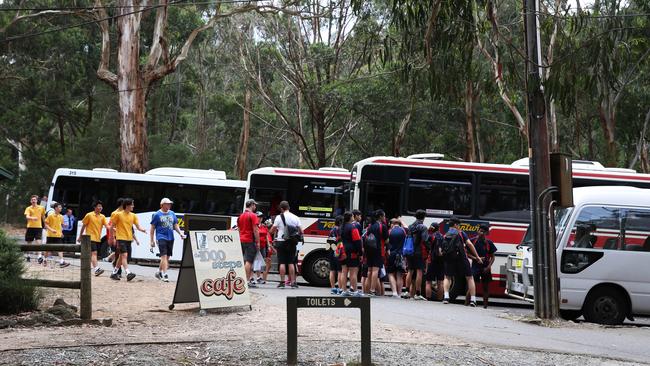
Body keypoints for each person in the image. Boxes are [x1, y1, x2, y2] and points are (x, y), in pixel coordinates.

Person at [442, 217, 482, 306]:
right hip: (461, 258)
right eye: (459, 225)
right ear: (456, 225)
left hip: (449, 258)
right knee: (469, 277)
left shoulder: (445, 235)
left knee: (447, 277)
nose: (459, 227)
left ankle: (446, 297)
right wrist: (477, 257)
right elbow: (470, 244)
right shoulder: (461, 233)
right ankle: (473, 300)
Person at [110, 198, 146, 281]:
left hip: (129, 239)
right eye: (132, 204)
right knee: (124, 255)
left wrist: (142, 230)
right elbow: (112, 226)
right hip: (120, 238)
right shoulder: (118, 215)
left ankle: (114, 273)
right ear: (127, 205)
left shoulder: (133, 215)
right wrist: (112, 237)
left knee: (121, 257)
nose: (133, 206)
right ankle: (128, 273)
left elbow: (138, 226)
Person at [150, 198, 185, 282]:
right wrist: (152, 240)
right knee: (164, 256)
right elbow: (152, 228)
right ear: (162, 205)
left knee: (167, 257)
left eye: (170, 204)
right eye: (167, 204)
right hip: (161, 237)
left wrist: (180, 233)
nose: (169, 205)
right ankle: (165, 274)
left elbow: (175, 224)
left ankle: (158, 271)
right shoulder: (157, 214)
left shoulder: (172, 213)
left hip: (170, 237)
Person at [269, 201, 303, 288]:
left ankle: (282, 282)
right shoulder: (295, 217)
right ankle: (293, 282)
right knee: (291, 262)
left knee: (282, 262)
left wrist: (271, 231)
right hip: (292, 242)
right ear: (289, 208)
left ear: (281, 209)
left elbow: (272, 230)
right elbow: (301, 231)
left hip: (281, 241)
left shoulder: (279, 217)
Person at [78, 200, 110, 276]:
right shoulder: (89, 215)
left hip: (97, 238)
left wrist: (113, 229)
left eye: (101, 206)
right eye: (99, 206)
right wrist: (80, 236)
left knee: (90, 254)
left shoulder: (102, 216)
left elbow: (107, 226)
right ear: (95, 207)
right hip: (89, 237)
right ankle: (96, 269)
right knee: (94, 253)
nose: (100, 207)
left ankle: (85, 269)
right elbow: (83, 226)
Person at [364, 210, 388, 296]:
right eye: (384, 216)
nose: (385, 218)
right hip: (378, 250)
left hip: (369, 250)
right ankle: (372, 290)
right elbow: (387, 240)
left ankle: (366, 291)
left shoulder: (370, 226)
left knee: (369, 271)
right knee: (375, 270)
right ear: (381, 216)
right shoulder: (383, 226)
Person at [472, 224, 497, 308]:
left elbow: (493, 257)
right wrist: (476, 258)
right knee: (472, 286)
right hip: (475, 266)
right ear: (477, 231)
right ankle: (466, 304)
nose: (481, 233)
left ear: (486, 233)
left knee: (486, 287)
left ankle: (485, 306)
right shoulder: (473, 241)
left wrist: (488, 267)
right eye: (480, 231)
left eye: (483, 231)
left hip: (486, 267)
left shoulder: (489, 243)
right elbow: (466, 253)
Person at [338, 211, 363, 296]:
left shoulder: (342, 227)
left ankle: (344, 290)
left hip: (343, 251)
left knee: (344, 271)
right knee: (353, 272)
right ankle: (355, 291)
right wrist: (360, 253)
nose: (353, 217)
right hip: (352, 252)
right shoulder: (353, 228)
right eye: (352, 216)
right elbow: (357, 241)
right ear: (350, 217)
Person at [237, 199, 260, 287]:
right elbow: (255, 230)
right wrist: (258, 242)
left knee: (243, 261)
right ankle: (246, 281)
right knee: (249, 261)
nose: (255, 207)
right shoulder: (253, 215)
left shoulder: (241, 216)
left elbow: (239, 229)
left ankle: (241, 280)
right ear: (252, 205)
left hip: (241, 240)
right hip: (250, 240)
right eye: (255, 205)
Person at [407, 210, 429, 300]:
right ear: (424, 217)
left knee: (410, 271)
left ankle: (407, 292)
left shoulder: (410, 226)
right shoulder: (423, 227)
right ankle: (418, 293)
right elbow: (425, 240)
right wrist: (429, 248)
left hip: (409, 251)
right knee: (419, 272)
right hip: (418, 251)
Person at [43, 202, 71, 268]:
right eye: (60, 207)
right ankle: (45, 259)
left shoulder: (61, 216)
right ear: (55, 208)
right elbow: (46, 225)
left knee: (60, 248)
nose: (61, 208)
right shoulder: (50, 216)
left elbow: (60, 225)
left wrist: (62, 231)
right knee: (47, 249)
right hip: (50, 235)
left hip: (58, 235)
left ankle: (61, 261)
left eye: (61, 207)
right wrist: (51, 230)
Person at [386, 218, 406, 298]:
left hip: (392, 254)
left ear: (392, 224)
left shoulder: (389, 231)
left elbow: (387, 243)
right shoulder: (403, 231)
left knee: (391, 273)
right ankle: (399, 293)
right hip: (401, 254)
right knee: (399, 275)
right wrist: (401, 221)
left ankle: (394, 292)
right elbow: (407, 227)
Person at [425, 222, 445, 301]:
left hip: (432, 260)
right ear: (439, 228)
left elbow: (426, 246)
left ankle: (428, 298)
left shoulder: (430, 237)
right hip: (441, 261)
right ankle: (440, 299)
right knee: (440, 282)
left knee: (428, 281)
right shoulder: (443, 237)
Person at [24, 195, 46, 263]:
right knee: (29, 243)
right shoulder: (28, 208)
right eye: (32, 200)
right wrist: (33, 218)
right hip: (30, 227)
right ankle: (28, 256)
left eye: (35, 199)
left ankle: (39, 256)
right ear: (31, 201)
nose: (33, 201)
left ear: (37, 201)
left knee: (38, 242)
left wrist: (45, 224)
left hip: (38, 227)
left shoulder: (41, 207)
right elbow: (27, 217)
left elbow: (43, 217)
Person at [328, 215, 344, 294]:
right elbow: (341, 242)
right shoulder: (340, 230)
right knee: (340, 271)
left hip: (331, 251)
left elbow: (328, 243)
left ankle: (333, 288)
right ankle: (340, 289)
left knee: (332, 270)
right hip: (338, 252)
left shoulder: (331, 230)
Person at [254, 211, 270, 284]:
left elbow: (266, 236)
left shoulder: (264, 226)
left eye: (261, 217)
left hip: (263, 246)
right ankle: (251, 277)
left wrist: (268, 245)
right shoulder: (254, 225)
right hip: (255, 246)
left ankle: (258, 277)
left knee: (260, 262)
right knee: (253, 261)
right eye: (258, 217)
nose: (260, 219)